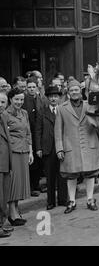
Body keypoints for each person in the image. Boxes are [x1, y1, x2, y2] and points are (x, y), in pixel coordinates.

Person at [55, 80, 99, 214]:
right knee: (71, 174)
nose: (74, 92)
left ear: (80, 91)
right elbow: (58, 130)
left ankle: (90, 199)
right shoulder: (61, 108)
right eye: (71, 90)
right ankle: (71, 201)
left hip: (89, 143)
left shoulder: (90, 105)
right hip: (70, 146)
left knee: (90, 172)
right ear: (68, 93)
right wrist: (59, 148)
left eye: (76, 90)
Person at [35, 86, 68, 210]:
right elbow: (38, 131)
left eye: (56, 96)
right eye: (51, 96)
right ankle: (50, 201)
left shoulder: (63, 111)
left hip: (61, 147)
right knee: (50, 176)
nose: (53, 98)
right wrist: (38, 148)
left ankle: (63, 199)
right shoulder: (42, 112)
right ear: (47, 98)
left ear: (59, 98)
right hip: (47, 148)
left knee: (62, 174)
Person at [4, 88, 34, 226]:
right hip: (12, 152)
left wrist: (31, 151)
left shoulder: (25, 113)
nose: (19, 102)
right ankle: (12, 213)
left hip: (23, 151)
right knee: (13, 183)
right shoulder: (5, 114)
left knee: (20, 183)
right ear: (10, 99)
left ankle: (16, 209)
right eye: (16, 99)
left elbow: (28, 133)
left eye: (21, 99)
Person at [23, 76, 45, 197]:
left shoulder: (40, 98)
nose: (31, 89)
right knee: (32, 162)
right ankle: (31, 187)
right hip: (29, 133)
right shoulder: (24, 100)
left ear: (37, 87)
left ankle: (36, 184)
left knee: (39, 160)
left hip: (40, 133)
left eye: (33, 87)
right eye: (29, 87)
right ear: (26, 88)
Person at [0, 92, 13, 237]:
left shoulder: (4, 116)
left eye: (3, 102)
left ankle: (2, 223)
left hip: (5, 163)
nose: (0, 105)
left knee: (3, 197)